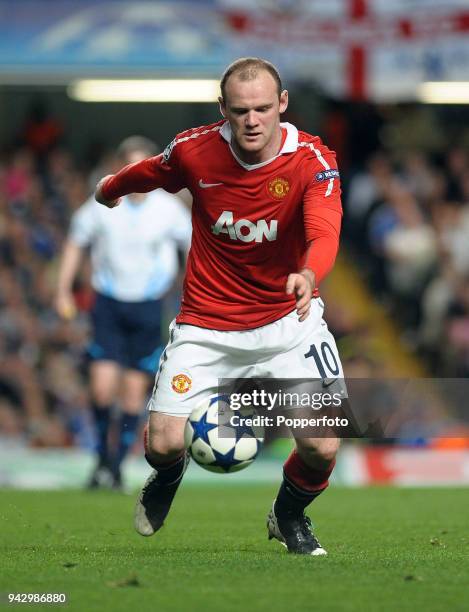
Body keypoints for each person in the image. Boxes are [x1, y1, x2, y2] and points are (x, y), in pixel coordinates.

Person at [95, 58, 343, 554]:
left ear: (283, 105)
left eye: (264, 109)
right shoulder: (195, 150)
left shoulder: (312, 162)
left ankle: (288, 515)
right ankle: (167, 476)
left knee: (321, 445)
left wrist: (309, 273)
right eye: (241, 110)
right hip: (207, 325)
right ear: (223, 109)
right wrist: (111, 189)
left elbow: (324, 230)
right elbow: (151, 171)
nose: (253, 120)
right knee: (162, 443)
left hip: (288, 321)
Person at [55, 136, 191, 489]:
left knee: (133, 393)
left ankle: (114, 467)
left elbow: (194, 247)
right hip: (109, 304)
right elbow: (75, 242)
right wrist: (62, 289)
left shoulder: (168, 208)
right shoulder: (102, 203)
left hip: (148, 307)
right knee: (101, 389)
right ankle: (101, 456)